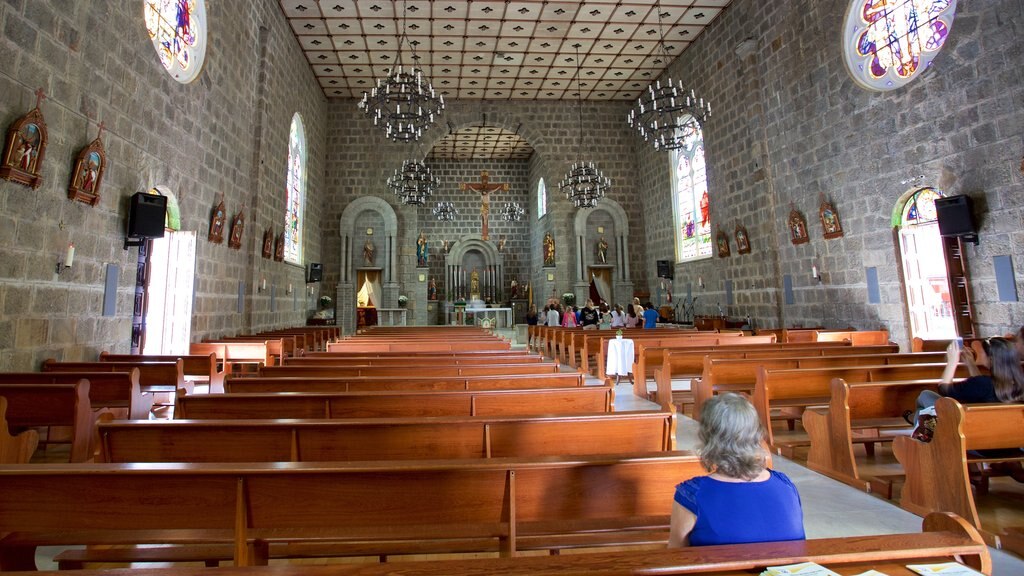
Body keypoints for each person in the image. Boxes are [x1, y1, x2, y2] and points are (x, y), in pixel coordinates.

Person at [668, 393, 805, 547]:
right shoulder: (786, 486)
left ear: (707, 437)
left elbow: (676, 556)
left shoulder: (692, 494)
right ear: (756, 433)